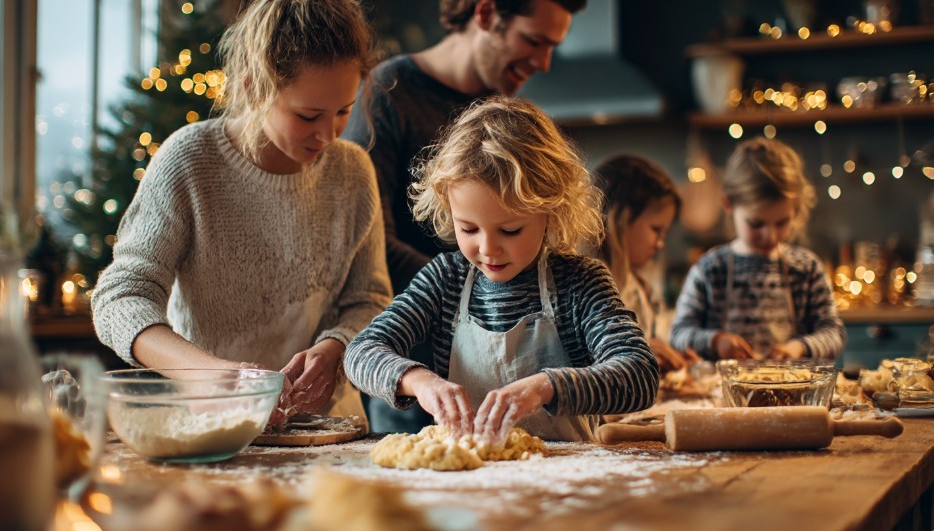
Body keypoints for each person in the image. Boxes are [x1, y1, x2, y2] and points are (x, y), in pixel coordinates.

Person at [91, 0, 392, 426]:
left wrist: (336, 348)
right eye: (308, 115)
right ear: (253, 88)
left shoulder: (353, 171)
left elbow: (371, 300)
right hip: (211, 429)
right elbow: (120, 299)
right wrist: (211, 376)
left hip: (329, 432)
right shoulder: (190, 160)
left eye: (343, 111)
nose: (328, 134)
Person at [344, 97, 659, 444]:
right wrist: (420, 381)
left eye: (510, 231)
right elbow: (361, 352)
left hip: (566, 484)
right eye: (468, 229)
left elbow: (640, 375)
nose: (487, 248)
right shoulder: (444, 281)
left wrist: (546, 387)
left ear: (551, 212)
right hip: (471, 482)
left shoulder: (580, 284)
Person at [342, 0, 587, 432]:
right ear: (487, 14)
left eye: (552, 47)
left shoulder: (503, 117)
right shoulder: (388, 92)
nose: (544, 63)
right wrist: (462, 288)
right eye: (534, 40)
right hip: (416, 365)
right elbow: (367, 238)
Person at [669, 137, 845, 361]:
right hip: (723, 394)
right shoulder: (710, 269)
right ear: (729, 204)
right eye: (756, 224)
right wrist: (716, 340)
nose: (769, 235)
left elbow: (834, 334)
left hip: (792, 392)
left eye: (781, 223)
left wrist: (799, 348)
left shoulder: (806, 269)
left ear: (795, 209)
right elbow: (678, 334)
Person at [592, 155, 700, 373]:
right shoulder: (580, 285)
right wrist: (638, 351)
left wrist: (666, 358)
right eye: (656, 230)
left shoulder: (639, 287)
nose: (660, 244)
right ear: (620, 218)